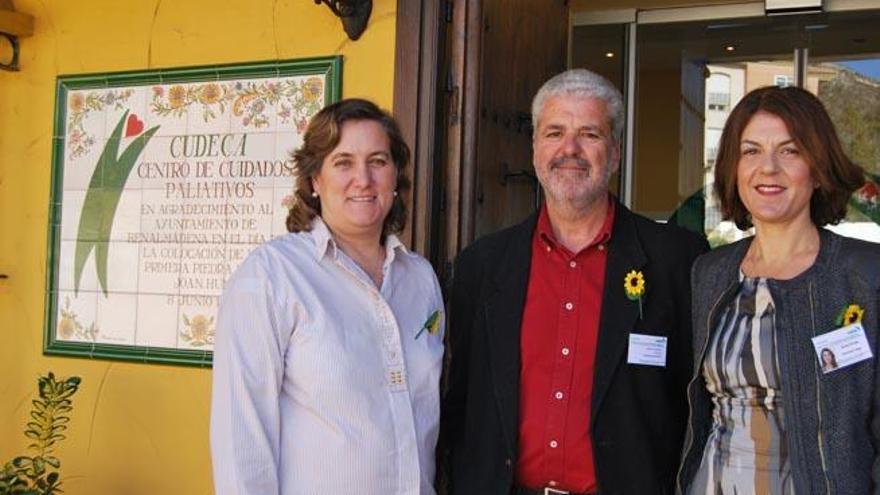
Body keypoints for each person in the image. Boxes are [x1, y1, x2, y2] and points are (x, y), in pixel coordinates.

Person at [442, 68, 708, 495]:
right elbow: (463, 404)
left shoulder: (678, 260)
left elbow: (699, 406)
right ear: (533, 149)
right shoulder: (482, 266)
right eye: (554, 133)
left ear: (615, 153)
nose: (570, 149)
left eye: (590, 134)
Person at [210, 98, 445, 495]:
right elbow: (241, 438)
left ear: (395, 176)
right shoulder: (272, 275)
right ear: (315, 180)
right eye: (343, 162)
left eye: (378, 161)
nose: (363, 179)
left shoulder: (420, 278)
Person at [677, 86, 880, 494]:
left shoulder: (865, 274)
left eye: (790, 151)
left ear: (819, 168)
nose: (768, 168)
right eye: (750, 151)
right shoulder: (710, 273)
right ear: (734, 169)